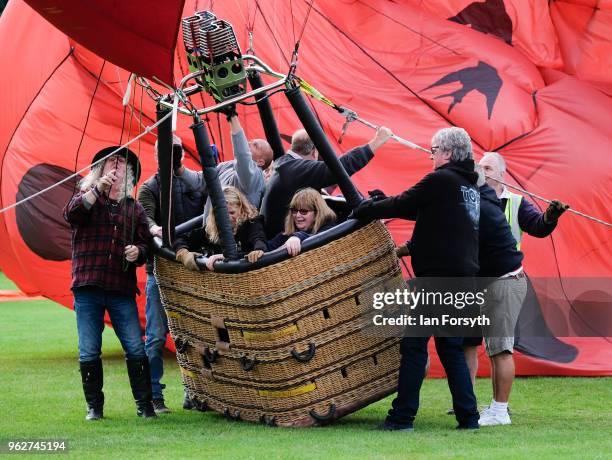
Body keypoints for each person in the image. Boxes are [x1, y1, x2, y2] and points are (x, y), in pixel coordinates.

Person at [351, 127, 480, 431]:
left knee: (413, 348)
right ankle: (469, 417)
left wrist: (366, 208)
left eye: (434, 149)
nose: (431, 154)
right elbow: (421, 210)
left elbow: (403, 203)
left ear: (447, 153)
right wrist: (384, 200)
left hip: (436, 278)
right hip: (463, 280)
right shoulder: (467, 187)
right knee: (451, 349)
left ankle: (401, 418)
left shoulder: (440, 179)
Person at [63, 146, 156, 420]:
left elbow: (147, 245)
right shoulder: (85, 198)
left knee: (135, 347)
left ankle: (145, 405)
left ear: (129, 174)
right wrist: (96, 191)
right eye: (110, 162)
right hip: (88, 286)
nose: (116, 166)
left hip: (120, 288)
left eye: (122, 163)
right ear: (99, 170)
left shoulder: (134, 207)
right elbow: (70, 215)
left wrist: (138, 252)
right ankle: (94, 407)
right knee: (89, 348)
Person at [137, 135, 206, 413]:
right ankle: (154, 396)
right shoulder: (149, 188)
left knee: (200, 336)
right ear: (156, 156)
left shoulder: (196, 182)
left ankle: (199, 394)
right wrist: (154, 230)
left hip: (194, 269)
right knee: (155, 336)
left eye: (173, 151)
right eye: (165, 152)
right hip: (163, 272)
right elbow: (147, 221)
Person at [261, 126, 393, 237]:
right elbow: (338, 169)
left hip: (279, 235)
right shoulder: (295, 169)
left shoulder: (284, 164)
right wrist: (377, 141)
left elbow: (322, 180)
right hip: (286, 240)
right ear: (315, 152)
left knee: (338, 201)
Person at [472, 165, 527, 426]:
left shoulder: (482, 206)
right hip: (498, 282)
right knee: (495, 349)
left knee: (502, 350)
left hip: (504, 282)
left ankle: (501, 411)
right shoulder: (486, 200)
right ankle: (496, 408)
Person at [177, 186, 267, 271]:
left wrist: (258, 251)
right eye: (223, 214)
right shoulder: (212, 229)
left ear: (241, 209)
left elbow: (259, 239)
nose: (227, 218)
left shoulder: (252, 223)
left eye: (232, 213)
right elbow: (181, 239)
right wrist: (184, 254)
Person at [268, 188, 337, 256]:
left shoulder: (330, 230)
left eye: (304, 211)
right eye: (294, 211)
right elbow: (267, 249)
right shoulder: (286, 235)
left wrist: (298, 237)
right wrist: (259, 246)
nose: (297, 215)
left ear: (317, 213)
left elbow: (322, 237)